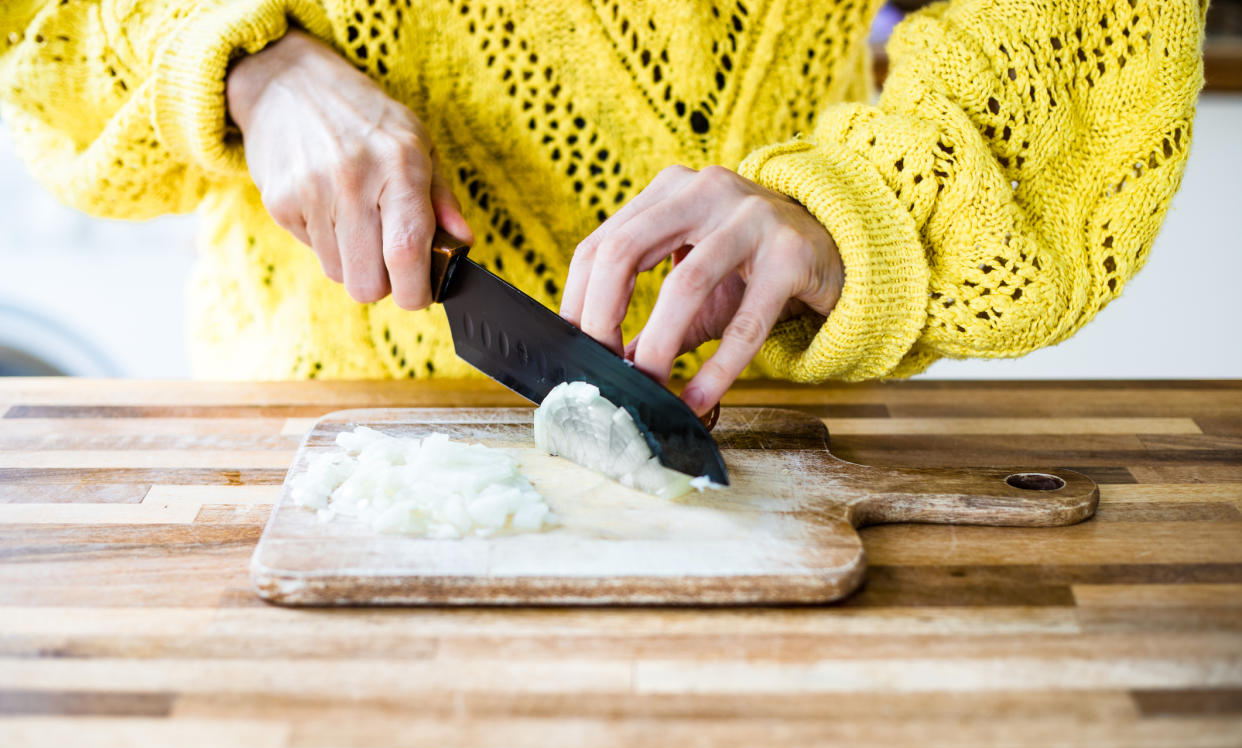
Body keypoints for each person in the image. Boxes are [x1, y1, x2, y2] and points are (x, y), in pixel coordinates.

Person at [0, 1, 1205, 415]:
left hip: (769, 426)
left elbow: (1085, 33)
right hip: (309, 435)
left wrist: (856, 208)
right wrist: (235, 55)